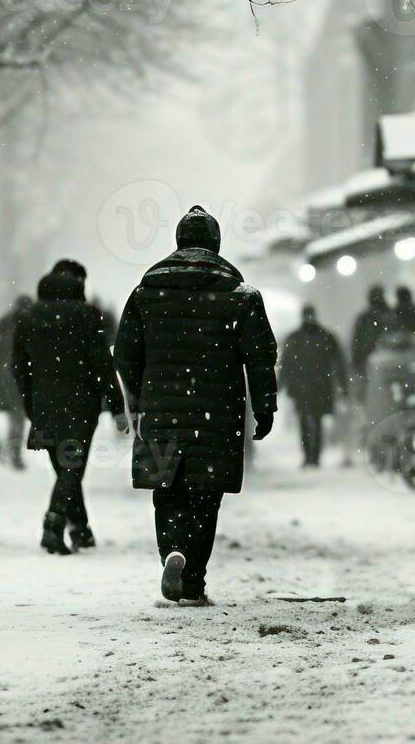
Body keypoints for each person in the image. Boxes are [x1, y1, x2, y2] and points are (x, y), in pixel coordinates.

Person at [113, 206, 278, 605]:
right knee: (205, 495)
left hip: (161, 409)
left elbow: (124, 355)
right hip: (217, 412)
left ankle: (171, 549)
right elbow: (260, 355)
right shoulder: (241, 296)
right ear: (216, 245)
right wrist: (265, 405)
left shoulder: (145, 293)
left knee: (167, 488)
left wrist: (140, 397)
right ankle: (194, 580)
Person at [13, 260, 124, 554]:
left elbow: (18, 367)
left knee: (64, 468)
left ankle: (80, 528)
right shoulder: (87, 316)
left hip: (43, 403)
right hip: (80, 403)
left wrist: (29, 403)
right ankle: (54, 523)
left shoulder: (27, 317)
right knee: (71, 468)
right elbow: (102, 364)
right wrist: (117, 406)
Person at [278, 305, 347, 468]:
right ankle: (312, 455)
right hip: (316, 384)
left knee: (309, 420)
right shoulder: (324, 336)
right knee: (311, 420)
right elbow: (338, 361)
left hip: (307, 385)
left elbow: (286, 363)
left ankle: (311, 456)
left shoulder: (296, 338)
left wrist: (281, 383)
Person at [0, 295, 34, 470]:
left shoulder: (4, 323)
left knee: (12, 417)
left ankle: (3, 450)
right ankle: (12, 452)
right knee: (17, 417)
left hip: (6, 375)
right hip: (16, 376)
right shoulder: (29, 325)